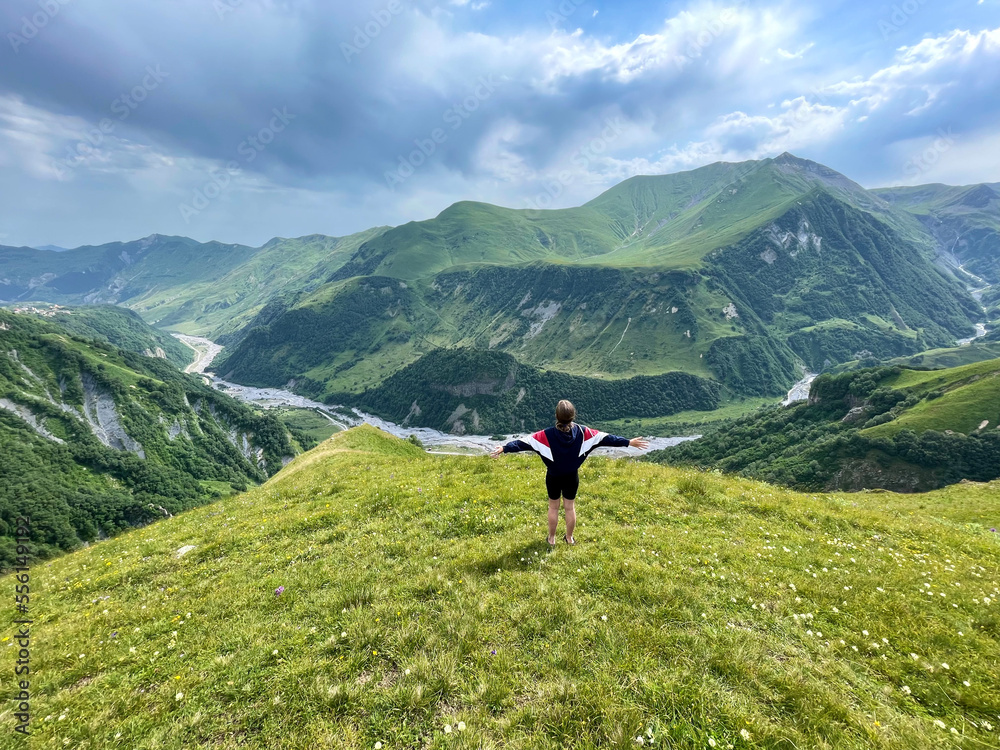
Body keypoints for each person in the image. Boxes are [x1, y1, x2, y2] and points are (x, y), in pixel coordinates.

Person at [489, 399, 649, 546]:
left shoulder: (545, 436)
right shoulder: (584, 433)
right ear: (573, 416)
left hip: (553, 477)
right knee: (569, 508)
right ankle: (569, 538)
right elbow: (607, 438)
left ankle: (551, 539)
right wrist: (628, 442)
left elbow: (523, 443)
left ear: (556, 416)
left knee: (553, 507)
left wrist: (504, 448)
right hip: (572, 477)